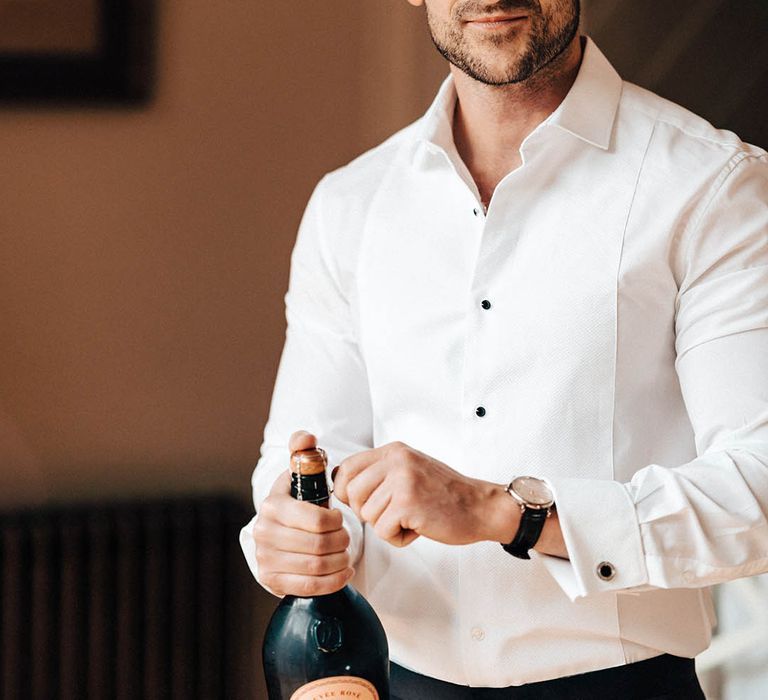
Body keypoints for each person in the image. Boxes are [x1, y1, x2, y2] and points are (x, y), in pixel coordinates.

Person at [240, 0, 768, 697]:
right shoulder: (349, 206)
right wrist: (285, 537)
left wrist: (504, 512)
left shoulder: (710, 186)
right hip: (388, 681)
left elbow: (758, 483)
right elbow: (299, 464)